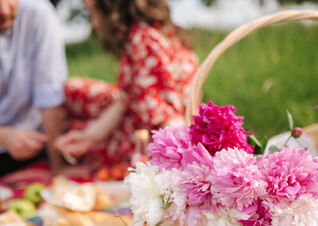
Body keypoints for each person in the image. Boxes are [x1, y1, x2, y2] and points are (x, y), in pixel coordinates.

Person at [56, 0, 198, 166]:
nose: (93, 24)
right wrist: (89, 136)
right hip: (163, 125)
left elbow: (166, 116)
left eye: (94, 13)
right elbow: (125, 100)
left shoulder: (143, 39)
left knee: (71, 100)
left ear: (111, 10)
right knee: (77, 101)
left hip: (151, 139)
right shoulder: (165, 31)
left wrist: (186, 156)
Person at [0, 0, 67, 176]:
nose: (4, 11)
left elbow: (49, 93)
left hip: (35, 149)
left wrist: (57, 167)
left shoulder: (39, 14)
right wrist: (5, 136)